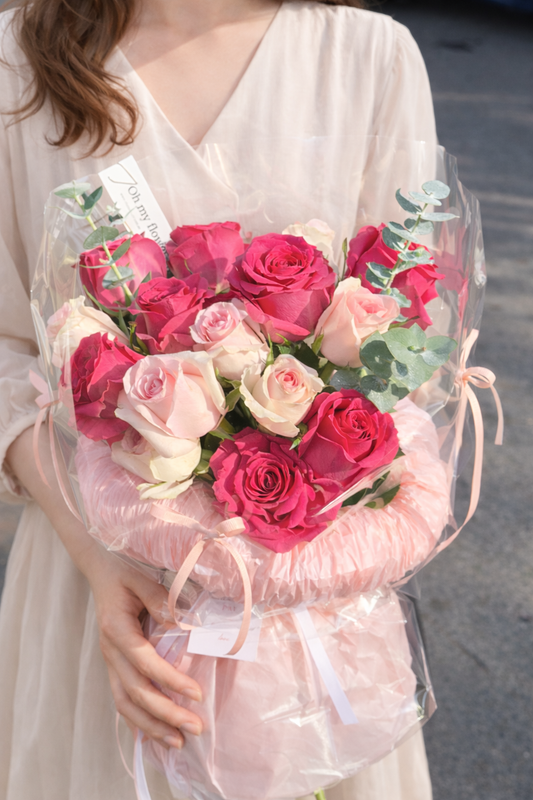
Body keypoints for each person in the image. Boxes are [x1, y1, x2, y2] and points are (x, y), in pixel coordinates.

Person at [0, 0, 436, 797]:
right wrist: (100, 564)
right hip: (102, 592)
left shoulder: (366, 54)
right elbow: (6, 355)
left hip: (307, 607)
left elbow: (404, 343)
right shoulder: (14, 57)